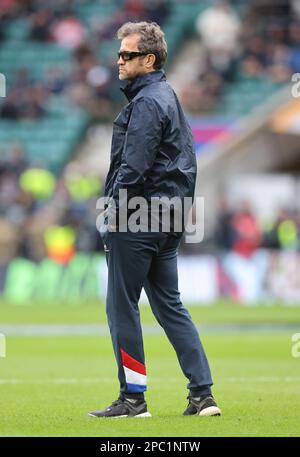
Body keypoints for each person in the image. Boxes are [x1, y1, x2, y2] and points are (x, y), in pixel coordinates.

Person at [88, 22, 221, 418]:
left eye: (127, 55)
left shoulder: (146, 102)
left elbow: (134, 166)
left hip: (138, 216)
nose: (119, 61)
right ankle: (203, 394)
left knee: (121, 307)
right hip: (169, 216)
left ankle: (133, 399)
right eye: (119, 54)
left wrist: (113, 210)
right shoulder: (169, 96)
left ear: (149, 59)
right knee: (170, 306)